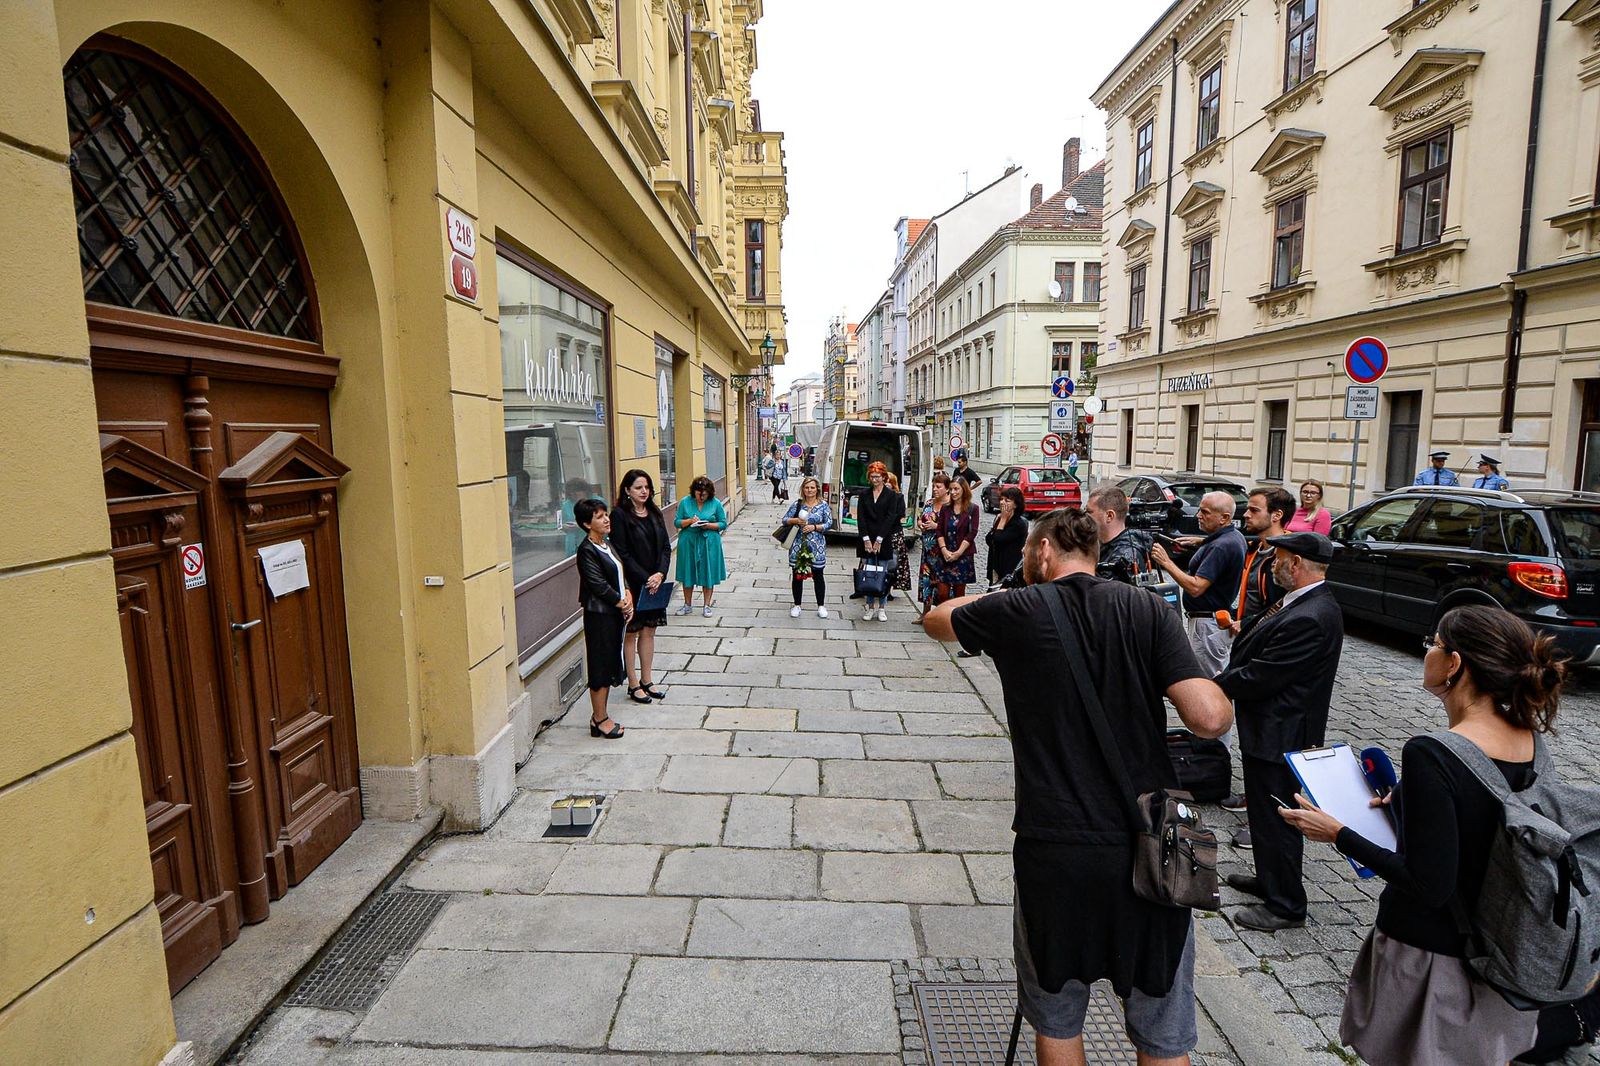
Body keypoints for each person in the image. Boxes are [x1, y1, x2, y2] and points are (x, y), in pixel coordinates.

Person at [922, 508, 1234, 1066]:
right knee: (1162, 1026)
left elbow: (938, 619)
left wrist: (1012, 592)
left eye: (1028, 553)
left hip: (1056, 846)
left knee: (1059, 1019)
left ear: (1043, 552)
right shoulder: (1144, 608)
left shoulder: (1018, 608)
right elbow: (1209, 719)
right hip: (1151, 846)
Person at [1279, 605, 1564, 1066]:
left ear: (1454, 664)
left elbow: (1430, 884)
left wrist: (1338, 833)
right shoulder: (1530, 740)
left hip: (1433, 957)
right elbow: (1483, 822)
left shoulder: (1433, 753)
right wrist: (1409, 804)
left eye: (1433, 643)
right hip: (1501, 950)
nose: (1427, 651)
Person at [1212, 531, 1344, 932]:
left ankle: (1287, 905)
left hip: (1283, 733)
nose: (1272, 564)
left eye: (1279, 559)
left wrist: (1216, 684)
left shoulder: (1312, 615)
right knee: (1266, 813)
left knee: (1280, 818)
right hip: (1268, 728)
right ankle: (1269, 880)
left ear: (1297, 565)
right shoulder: (1299, 601)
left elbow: (1264, 675)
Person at [1218, 487, 1295, 838]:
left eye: (1252, 510)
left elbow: (1281, 607)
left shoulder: (1285, 556)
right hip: (1246, 640)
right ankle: (1255, 800)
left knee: (1268, 739)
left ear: (1276, 515)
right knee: (1251, 731)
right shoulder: (1258, 548)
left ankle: (1267, 819)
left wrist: (1249, 625)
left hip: (1264, 651)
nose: (1245, 516)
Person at [1150, 491, 1246, 678]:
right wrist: (1202, 542)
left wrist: (1166, 562)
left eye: (1205, 512)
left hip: (1207, 626)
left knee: (1209, 683)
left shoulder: (1220, 547)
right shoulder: (1233, 536)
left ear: (1224, 518)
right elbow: (1222, 544)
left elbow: (1195, 587)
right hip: (1213, 622)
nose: (1198, 516)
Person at [610, 469, 671, 705]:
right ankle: (633, 683)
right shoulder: (619, 515)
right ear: (627, 490)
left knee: (649, 631)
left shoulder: (654, 512)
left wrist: (660, 574)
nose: (644, 491)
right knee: (632, 633)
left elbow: (666, 547)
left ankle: (647, 679)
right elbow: (622, 553)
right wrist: (647, 578)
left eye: (646, 487)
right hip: (634, 584)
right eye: (638, 487)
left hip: (655, 582)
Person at [572, 498, 631, 739]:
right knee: (600, 665)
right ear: (587, 524)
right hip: (600, 616)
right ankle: (599, 718)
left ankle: (601, 716)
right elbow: (598, 585)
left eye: (606, 514)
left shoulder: (606, 544)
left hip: (614, 613)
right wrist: (621, 602)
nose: (606, 519)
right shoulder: (586, 550)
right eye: (599, 516)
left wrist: (627, 594)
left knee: (608, 663)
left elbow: (619, 571)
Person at [854, 461, 906, 621]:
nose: (874, 480)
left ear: (884, 477)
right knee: (868, 573)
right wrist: (866, 540)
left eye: (877, 477)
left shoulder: (891, 496)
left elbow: (890, 518)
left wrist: (879, 540)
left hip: (884, 539)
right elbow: (861, 518)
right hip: (866, 539)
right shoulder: (864, 495)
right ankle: (870, 607)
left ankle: (882, 607)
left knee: (883, 574)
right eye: (872, 477)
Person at [673, 476, 728, 617]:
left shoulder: (715, 503)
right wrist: (690, 521)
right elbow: (677, 522)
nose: (701, 497)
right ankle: (687, 604)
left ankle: (707, 605)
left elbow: (723, 523)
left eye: (704, 495)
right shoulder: (685, 502)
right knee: (687, 571)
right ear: (694, 492)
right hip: (689, 541)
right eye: (699, 494)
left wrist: (708, 525)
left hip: (708, 541)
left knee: (707, 571)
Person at [784, 476, 833, 618]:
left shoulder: (823, 505)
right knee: (797, 575)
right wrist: (796, 520)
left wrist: (814, 527)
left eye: (812, 487)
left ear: (817, 489)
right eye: (806, 487)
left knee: (818, 575)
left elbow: (829, 523)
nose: (809, 490)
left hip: (817, 546)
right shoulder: (797, 504)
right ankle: (797, 605)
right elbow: (785, 520)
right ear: (803, 489)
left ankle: (821, 606)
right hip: (798, 544)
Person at [1085, 486, 1153, 576]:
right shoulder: (1100, 544)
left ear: (1109, 516)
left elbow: (1100, 588)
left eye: (1089, 512)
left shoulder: (1125, 557)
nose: (1084, 516)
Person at [938, 476, 980, 601]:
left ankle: (956, 618)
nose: (953, 492)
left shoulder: (973, 509)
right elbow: (939, 530)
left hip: (962, 555)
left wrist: (958, 553)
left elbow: (972, 533)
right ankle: (943, 617)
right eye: (951, 489)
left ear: (963, 490)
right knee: (942, 593)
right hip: (945, 554)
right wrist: (944, 549)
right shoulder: (945, 508)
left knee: (959, 594)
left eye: (956, 489)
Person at [918, 474, 952, 609]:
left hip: (941, 551)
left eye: (938, 487)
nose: (935, 489)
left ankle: (941, 613)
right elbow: (921, 517)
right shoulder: (929, 503)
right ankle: (925, 612)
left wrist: (935, 526)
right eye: (933, 486)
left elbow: (953, 528)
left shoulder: (950, 506)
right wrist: (920, 523)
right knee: (926, 581)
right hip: (927, 551)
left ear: (947, 489)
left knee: (941, 584)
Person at [985, 487, 1029, 589]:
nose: (1002, 503)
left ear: (1015, 504)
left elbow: (998, 539)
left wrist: (1003, 519)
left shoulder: (1019, 523)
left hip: (1008, 566)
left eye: (1007, 501)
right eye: (1001, 499)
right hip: (996, 564)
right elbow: (989, 539)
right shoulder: (999, 518)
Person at [886, 472, 913, 597]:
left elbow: (900, 514)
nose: (886, 483)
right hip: (879, 533)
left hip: (894, 533)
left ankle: (889, 589)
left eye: (888, 481)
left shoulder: (898, 497)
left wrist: (887, 520)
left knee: (894, 563)